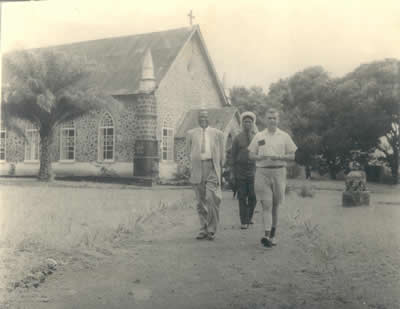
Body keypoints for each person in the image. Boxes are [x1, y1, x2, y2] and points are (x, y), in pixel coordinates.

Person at [248, 108, 297, 247]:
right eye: (269, 118)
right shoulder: (259, 136)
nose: (272, 120)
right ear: (265, 119)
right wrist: (260, 156)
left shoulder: (284, 136)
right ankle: (266, 234)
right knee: (266, 205)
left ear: (278, 120)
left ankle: (273, 234)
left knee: (275, 206)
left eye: (274, 118)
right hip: (262, 172)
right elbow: (251, 155)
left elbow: (293, 156)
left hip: (279, 172)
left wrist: (279, 157)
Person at [186, 110, 225, 241]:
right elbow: (188, 152)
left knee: (210, 198)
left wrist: (220, 169)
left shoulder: (217, 134)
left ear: (209, 119)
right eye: (200, 116)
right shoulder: (191, 134)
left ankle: (212, 229)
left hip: (212, 167)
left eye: (205, 117)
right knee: (200, 201)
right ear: (197, 119)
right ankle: (203, 228)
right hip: (197, 168)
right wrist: (190, 166)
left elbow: (222, 154)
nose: (203, 119)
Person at [231, 111, 258, 229]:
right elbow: (232, 156)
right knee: (242, 196)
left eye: (250, 122)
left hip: (253, 171)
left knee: (253, 196)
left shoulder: (258, 137)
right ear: (242, 123)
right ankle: (244, 221)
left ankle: (249, 217)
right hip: (240, 171)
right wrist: (232, 173)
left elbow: (263, 150)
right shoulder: (237, 138)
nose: (247, 124)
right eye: (245, 122)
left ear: (253, 123)